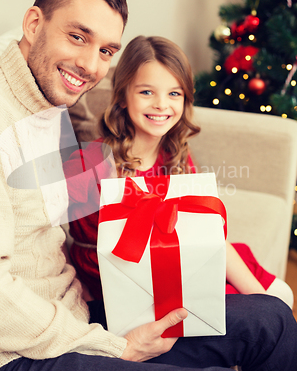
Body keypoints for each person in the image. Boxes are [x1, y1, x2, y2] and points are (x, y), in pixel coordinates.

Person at [0, 0, 296, 371]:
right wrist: (110, 346)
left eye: (106, 49)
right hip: (2, 365)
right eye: (78, 37)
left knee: (270, 319)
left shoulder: (49, 104)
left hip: (72, 324)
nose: (91, 66)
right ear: (35, 24)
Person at [64, 35, 293, 308]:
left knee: (280, 294)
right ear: (123, 97)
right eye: (146, 92)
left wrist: (261, 300)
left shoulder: (174, 157)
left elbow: (206, 235)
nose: (162, 104)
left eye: (174, 93)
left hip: (183, 266)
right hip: (131, 291)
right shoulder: (90, 163)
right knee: (261, 309)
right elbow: (56, 236)